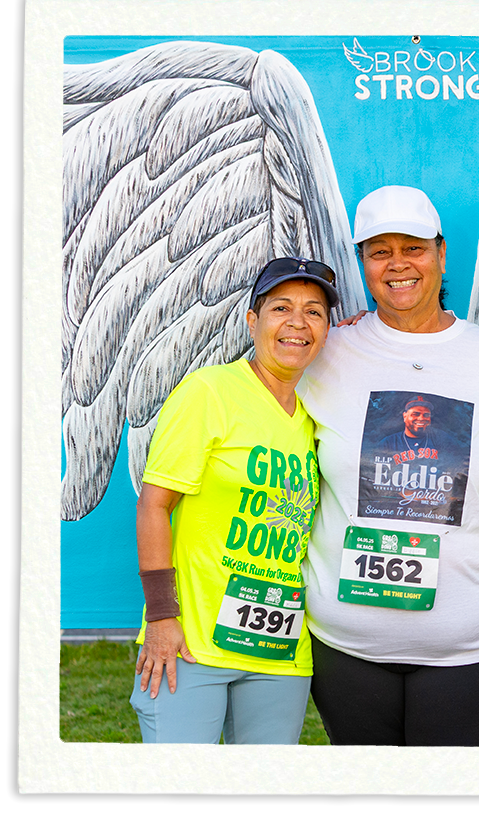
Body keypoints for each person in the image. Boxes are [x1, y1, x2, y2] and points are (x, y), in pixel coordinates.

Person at [297, 184, 479, 746]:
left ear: (442, 255)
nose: (397, 264)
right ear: (363, 264)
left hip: (468, 646)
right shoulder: (326, 355)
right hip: (347, 646)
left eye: (414, 247)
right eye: (379, 251)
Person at [130, 257, 338, 744]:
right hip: (192, 646)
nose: (297, 323)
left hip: (279, 650)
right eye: (281, 308)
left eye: (314, 313)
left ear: (328, 330)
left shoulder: (315, 415)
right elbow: (154, 505)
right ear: (252, 320)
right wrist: (162, 617)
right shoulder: (210, 391)